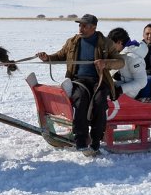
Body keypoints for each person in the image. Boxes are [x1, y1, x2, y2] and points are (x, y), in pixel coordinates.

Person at [36, 14, 124, 153]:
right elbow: (59, 56)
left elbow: (120, 62)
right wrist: (47, 58)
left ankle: (96, 140)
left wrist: (105, 63)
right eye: (80, 25)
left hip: (99, 80)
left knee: (100, 102)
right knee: (80, 101)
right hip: (78, 81)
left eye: (84, 26)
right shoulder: (72, 42)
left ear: (93, 27)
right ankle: (81, 139)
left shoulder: (106, 43)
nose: (80, 28)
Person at [107, 27, 148, 99]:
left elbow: (142, 82)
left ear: (119, 42)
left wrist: (120, 90)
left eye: (111, 44)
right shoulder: (121, 54)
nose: (110, 47)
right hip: (120, 84)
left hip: (129, 92)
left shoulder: (133, 57)